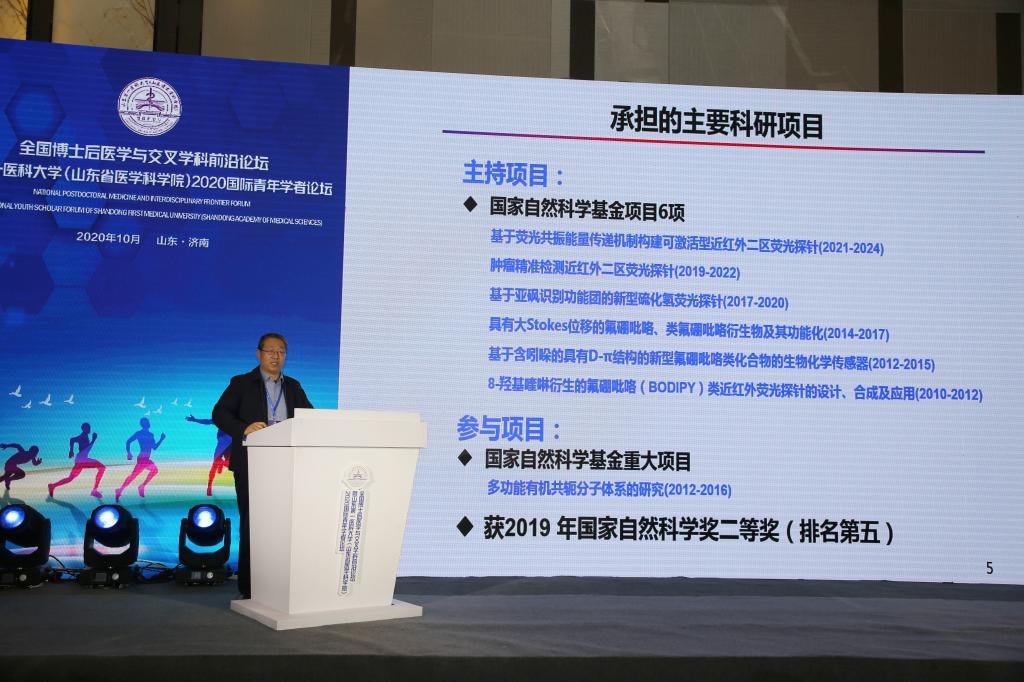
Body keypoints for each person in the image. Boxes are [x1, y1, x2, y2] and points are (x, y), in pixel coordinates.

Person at [213, 332, 313, 599]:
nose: (276, 356)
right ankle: (250, 587)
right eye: (271, 351)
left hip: (287, 465)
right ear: (259, 354)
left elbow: (309, 417)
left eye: (281, 351)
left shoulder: (293, 386)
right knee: (253, 524)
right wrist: (244, 428)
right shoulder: (242, 383)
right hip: (251, 464)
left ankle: (282, 583)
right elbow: (219, 413)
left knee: (285, 524)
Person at [48, 423, 106, 499]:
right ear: (84, 429)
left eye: (89, 427)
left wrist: (71, 451)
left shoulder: (84, 436)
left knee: (70, 478)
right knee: (102, 467)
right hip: (82, 459)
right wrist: (93, 440)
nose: (90, 429)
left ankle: (52, 486)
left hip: (80, 460)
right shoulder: (83, 436)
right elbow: (80, 444)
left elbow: (73, 440)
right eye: (88, 428)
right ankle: (94, 491)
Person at [115, 417, 165, 502]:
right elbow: (128, 441)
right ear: (143, 424)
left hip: (146, 459)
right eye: (145, 422)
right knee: (134, 476)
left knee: (152, 471)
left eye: (147, 422)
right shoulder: (139, 433)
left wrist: (161, 439)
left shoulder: (151, 435)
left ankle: (137, 487)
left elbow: (154, 447)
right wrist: (129, 452)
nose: (147, 423)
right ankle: (120, 490)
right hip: (142, 459)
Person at [185, 414, 232, 496]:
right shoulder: (222, 419)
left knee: (222, 464)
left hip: (228, 444)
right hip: (224, 444)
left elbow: (207, 421)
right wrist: (195, 420)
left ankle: (220, 466)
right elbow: (207, 421)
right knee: (216, 465)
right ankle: (209, 486)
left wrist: (195, 420)